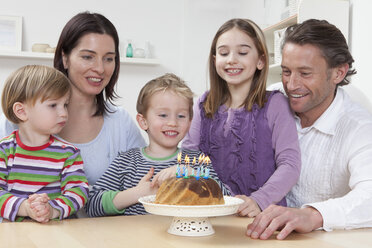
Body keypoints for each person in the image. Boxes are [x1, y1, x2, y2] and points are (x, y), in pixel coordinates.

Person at [246, 19, 372, 240]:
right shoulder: (272, 101)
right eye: (286, 71)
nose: (292, 85)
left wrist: (313, 215)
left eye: (305, 74)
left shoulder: (359, 128)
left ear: (339, 73)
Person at [0, 12, 146, 186]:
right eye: (87, 57)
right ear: (65, 58)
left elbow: (144, 184)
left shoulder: (120, 123)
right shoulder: (18, 122)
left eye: (108, 59)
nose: (100, 68)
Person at [182, 18, 301, 217]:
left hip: (261, 216)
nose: (231, 59)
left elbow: (290, 165)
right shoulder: (204, 104)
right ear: (214, 60)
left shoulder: (276, 104)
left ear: (261, 60)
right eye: (223, 53)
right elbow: (189, 156)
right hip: (211, 216)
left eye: (243, 52)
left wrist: (258, 200)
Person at [86, 73, 231, 217]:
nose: (173, 123)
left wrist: (192, 174)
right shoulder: (126, 161)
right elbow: (92, 204)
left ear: (189, 122)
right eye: (163, 115)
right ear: (143, 121)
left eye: (181, 116)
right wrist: (137, 194)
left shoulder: (196, 161)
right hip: (136, 238)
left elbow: (226, 200)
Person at [0, 65, 89, 222]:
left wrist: (52, 209)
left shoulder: (69, 152)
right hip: (14, 233)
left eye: (65, 105)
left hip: (57, 231)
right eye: (53, 105)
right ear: (21, 111)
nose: (63, 113)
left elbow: (78, 191)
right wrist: (25, 208)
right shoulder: (4, 150)